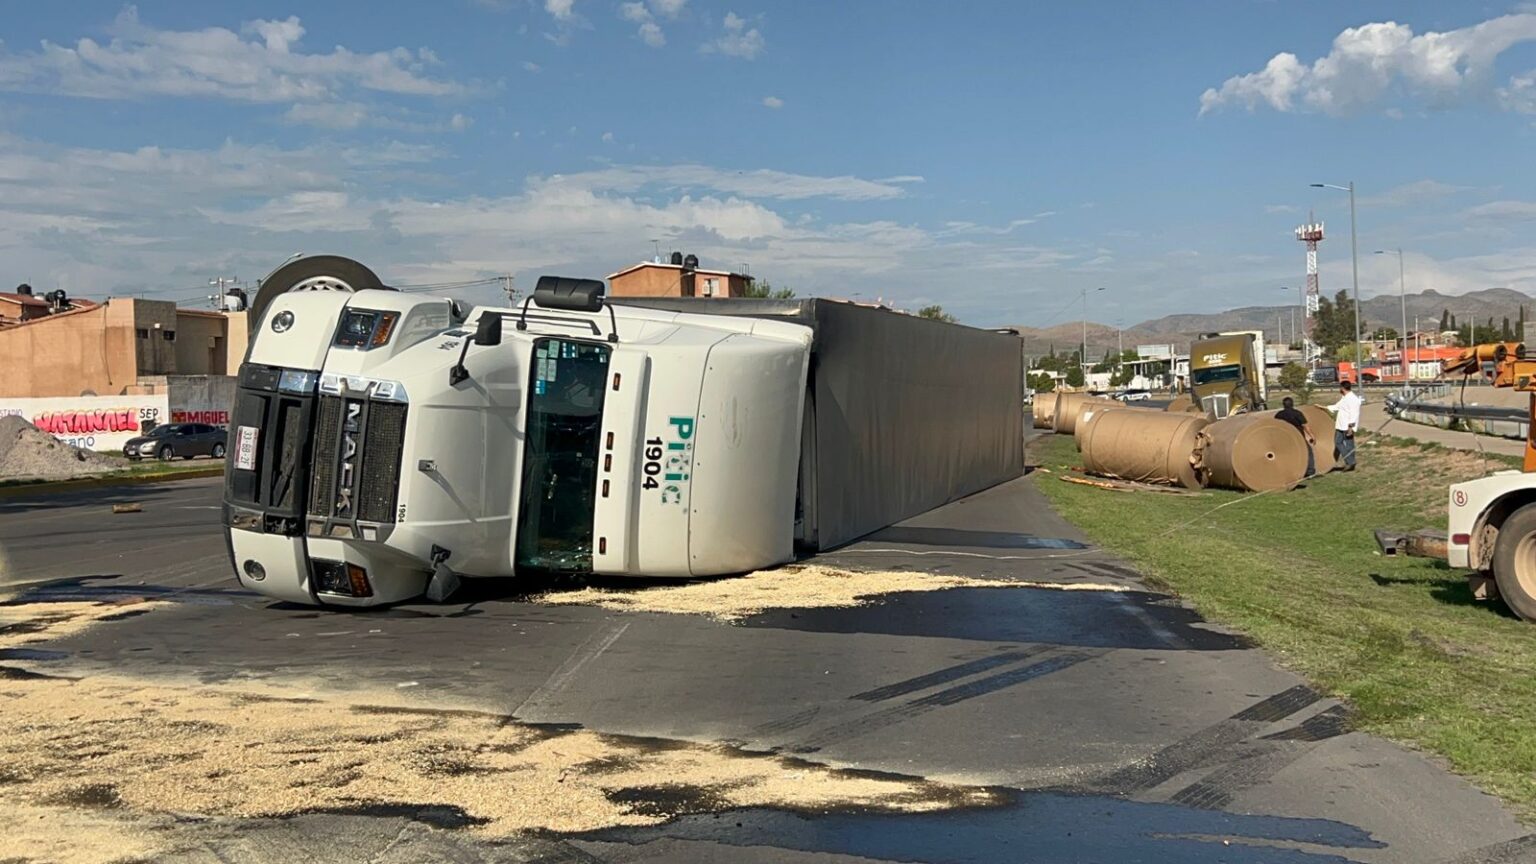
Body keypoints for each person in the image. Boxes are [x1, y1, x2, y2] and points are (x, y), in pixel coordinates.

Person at [1324, 380, 1362, 471]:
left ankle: (1350, 462)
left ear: (1342, 388)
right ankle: (1350, 462)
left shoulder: (1353, 399)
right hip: (1340, 425)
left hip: (1347, 426)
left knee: (1349, 445)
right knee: (1338, 442)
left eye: (1340, 388)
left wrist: (1350, 427)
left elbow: (1354, 414)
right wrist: (1324, 407)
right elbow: (1337, 407)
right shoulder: (1344, 398)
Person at [1275, 396, 1316, 477]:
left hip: (1284, 438)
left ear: (1283, 405)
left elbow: (1275, 426)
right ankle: (1310, 471)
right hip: (1298, 437)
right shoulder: (1297, 413)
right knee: (1308, 451)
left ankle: (1287, 471)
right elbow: (1305, 426)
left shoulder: (1279, 414)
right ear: (1292, 404)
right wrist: (1312, 436)